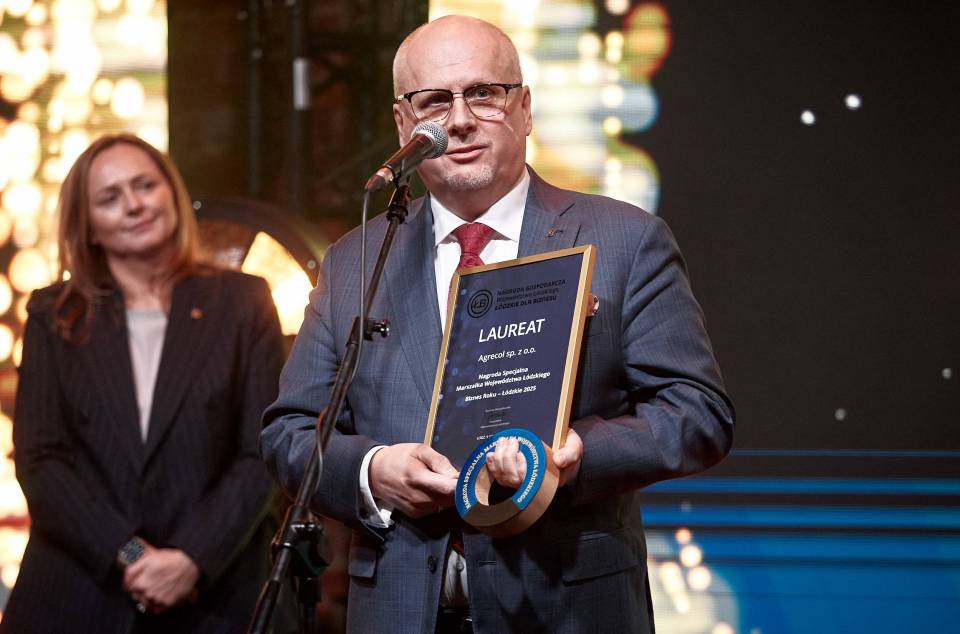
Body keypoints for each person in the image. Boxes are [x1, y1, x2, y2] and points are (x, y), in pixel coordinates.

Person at [261, 14, 735, 634]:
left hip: (568, 608)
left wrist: (576, 454)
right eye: (434, 101)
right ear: (404, 124)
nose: (459, 120)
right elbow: (290, 433)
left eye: (484, 93)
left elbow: (697, 413)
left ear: (525, 109)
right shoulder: (356, 259)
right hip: (401, 613)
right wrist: (373, 470)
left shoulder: (625, 239)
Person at [2, 134, 285, 633]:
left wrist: (190, 558)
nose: (134, 205)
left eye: (145, 185)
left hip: (213, 596)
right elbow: (41, 460)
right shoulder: (54, 314)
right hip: (78, 596)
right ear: (87, 225)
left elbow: (262, 451)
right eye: (109, 198)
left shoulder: (243, 302)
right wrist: (132, 555)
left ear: (171, 192)